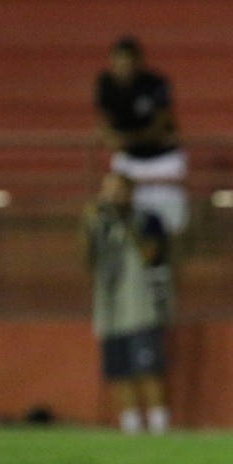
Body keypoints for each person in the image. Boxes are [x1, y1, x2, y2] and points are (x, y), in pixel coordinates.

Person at [83, 172, 173, 434]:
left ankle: (159, 425)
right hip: (111, 307)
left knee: (148, 368)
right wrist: (88, 225)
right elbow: (87, 259)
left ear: (130, 193)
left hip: (141, 305)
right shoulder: (101, 223)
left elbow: (151, 254)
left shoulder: (147, 219)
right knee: (119, 370)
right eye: (107, 190)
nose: (111, 196)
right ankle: (130, 425)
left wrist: (125, 223)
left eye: (118, 191)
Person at [95, 36, 189, 236]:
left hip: (162, 159)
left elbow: (160, 125)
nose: (123, 68)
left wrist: (128, 140)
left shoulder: (155, 83)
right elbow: (104, 120)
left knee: (171, 222)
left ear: (138, 63)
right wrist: (110, 137)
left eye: (128, 63)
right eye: (118, 63)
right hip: (129, 160)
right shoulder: (106, 84)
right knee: (120, 217)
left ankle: (171, 257)